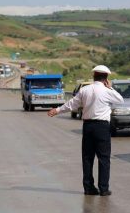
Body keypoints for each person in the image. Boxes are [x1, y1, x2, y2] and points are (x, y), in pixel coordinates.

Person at [47, 65, 124, 196]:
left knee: (87, 158)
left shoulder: (84, 90)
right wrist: (110, 87)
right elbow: (120, 100)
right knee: (104, 158)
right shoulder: (107, 91)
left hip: (88, 126)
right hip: (102, 127)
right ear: (106, 78)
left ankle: (88, 188)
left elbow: (72, 104)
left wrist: (57, 110)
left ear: (94, 76)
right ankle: (103, 189)